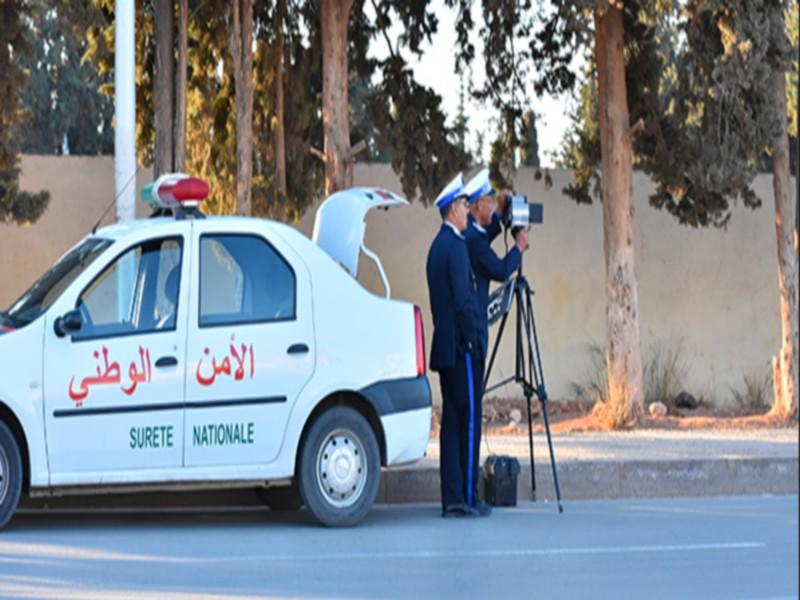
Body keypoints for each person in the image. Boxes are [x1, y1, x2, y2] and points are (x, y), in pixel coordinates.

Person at [426, 173, 490, 518]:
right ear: (453, 210)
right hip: (461, 349)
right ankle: (466, 497)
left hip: (445, 348)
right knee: (466, 424)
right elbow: (465, 302)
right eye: (465, 205)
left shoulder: (437, 247)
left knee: (451, 425)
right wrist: (477, 340)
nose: (468, 211)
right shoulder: (455, 247)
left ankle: (451, 496)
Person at [463, 168, 529, 360]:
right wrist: (519, 247)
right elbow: (501, 271)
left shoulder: (469, 227)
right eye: (489, 201)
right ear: (477, 205)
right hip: (475, 324)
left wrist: (500, 212)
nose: (492, 205)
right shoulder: (474, 239)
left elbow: (483, 237)